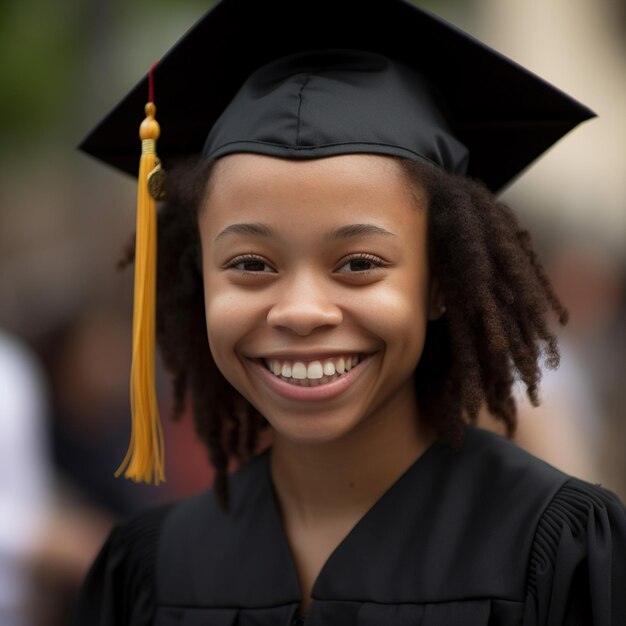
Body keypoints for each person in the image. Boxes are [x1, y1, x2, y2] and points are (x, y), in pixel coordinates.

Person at [70, 0, 626, 624]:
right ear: (196, 279)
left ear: (441, 281)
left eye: (359, 263)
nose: (302, 311)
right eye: (251, 265)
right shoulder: (152, 569)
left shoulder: (555, 550)